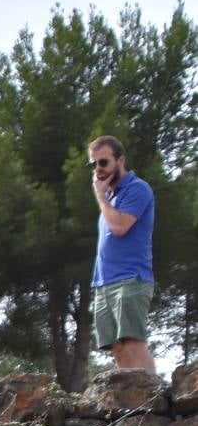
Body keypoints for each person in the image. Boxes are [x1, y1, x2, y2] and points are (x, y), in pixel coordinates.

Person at [89, 134, 156, 375]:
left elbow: (120, 227)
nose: (98, 169)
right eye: (93, 164)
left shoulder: (137, 189)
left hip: (130, 279)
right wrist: (105, 199)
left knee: (133, 343)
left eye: (103, 162)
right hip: (103, 283)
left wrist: (100, 198)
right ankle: (132, 406)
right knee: (117, 349)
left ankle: (153, 401)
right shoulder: (109, 199)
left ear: (120, 160)